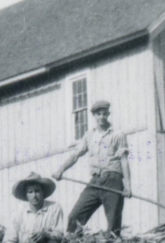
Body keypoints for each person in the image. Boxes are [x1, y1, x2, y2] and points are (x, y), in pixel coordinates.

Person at [52, 99, 131, 235]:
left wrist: (128, 186)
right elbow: (76, 155)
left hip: (113, 181)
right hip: (95, 181)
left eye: (104, 114)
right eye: (98, 114)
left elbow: (124, 160)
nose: (101, 117)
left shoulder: (118, 134)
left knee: (113, 225)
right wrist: (61, 169)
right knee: (74, 217)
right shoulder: (90, 135)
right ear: (94, 115)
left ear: (108, 115)